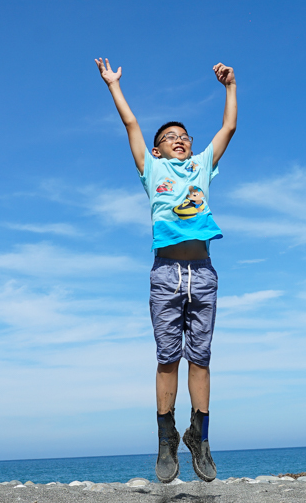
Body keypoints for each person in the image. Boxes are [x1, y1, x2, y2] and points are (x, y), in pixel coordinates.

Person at [94, 57, 237, 483]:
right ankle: (165, 439)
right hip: (165, 274)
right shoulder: (152, 168)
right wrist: (113, 86)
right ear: (157, 150)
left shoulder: (201, 167)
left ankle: (201, 437)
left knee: (202, 358)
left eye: (184, 136)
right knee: (166, 358)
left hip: (204, 273)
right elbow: (131, 124)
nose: (179, 140)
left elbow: (227, 128)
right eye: (169, 137)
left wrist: (231, 86)